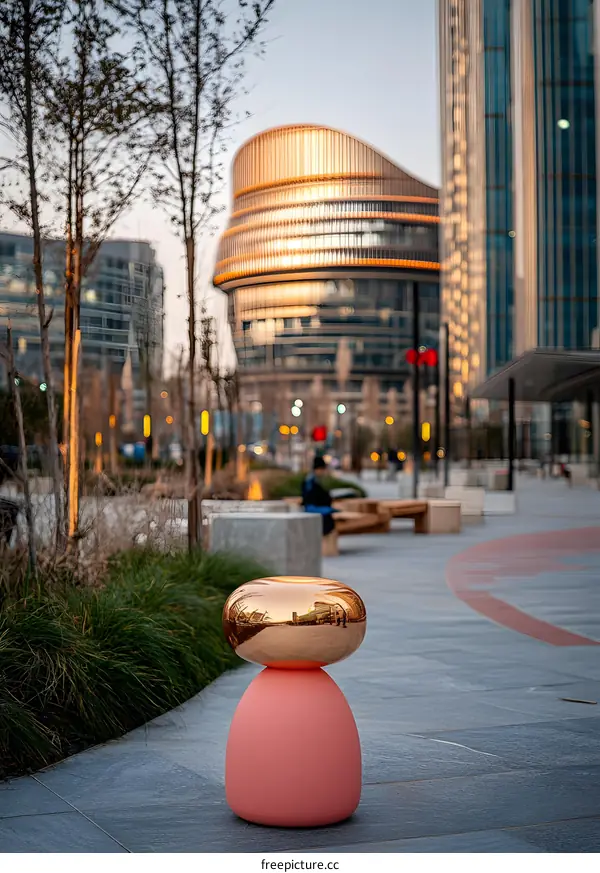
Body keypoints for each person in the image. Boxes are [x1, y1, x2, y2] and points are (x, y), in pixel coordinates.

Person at [301, 456, 336, 536]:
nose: (323, 472)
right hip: (315, 510)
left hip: (315, 509)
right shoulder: (311, 482)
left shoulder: (312, 480)